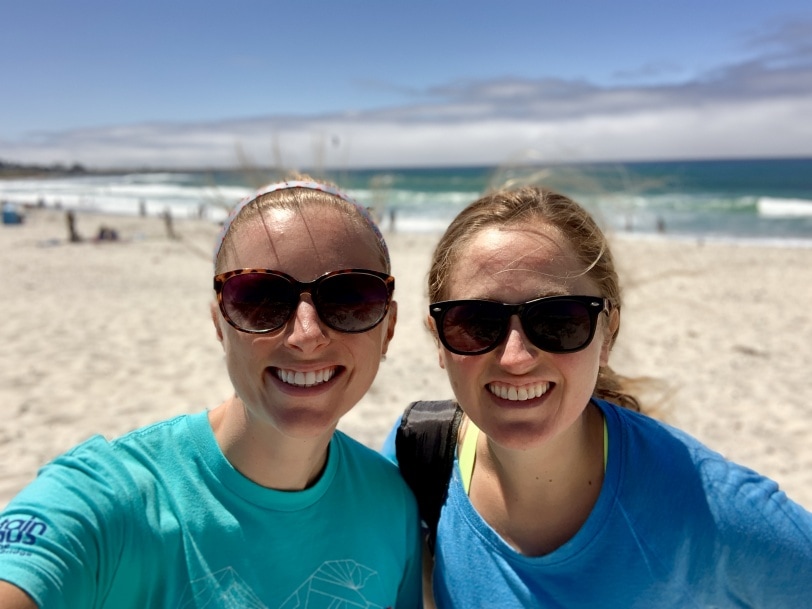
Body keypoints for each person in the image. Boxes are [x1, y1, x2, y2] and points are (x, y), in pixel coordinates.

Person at [0, 179, 423, 608]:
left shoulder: (393, 507)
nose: (306, 335)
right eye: (260, 299)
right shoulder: (111, 505)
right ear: (220, 324)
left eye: (350, 299)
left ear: (388, 329)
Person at [383, 185, 812, 608]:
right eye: (477, 323)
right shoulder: (415, 456)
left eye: (558, 321)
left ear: (608, 334)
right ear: (439, 340)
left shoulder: (707, 505)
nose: (515, 358)